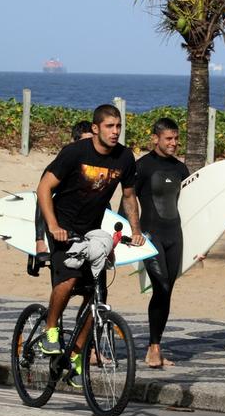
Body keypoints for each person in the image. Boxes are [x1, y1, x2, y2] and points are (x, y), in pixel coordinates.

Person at [36, 104, 144, 387]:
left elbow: (130, 196)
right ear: (96, 128)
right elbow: (44, 187)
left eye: (118, 126)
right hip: (63, 227)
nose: (115, 132)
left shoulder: (124, 158)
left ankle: (75, 354)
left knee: (97, 295)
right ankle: (50, 330)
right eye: (110, 126)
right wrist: (52, 226)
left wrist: (136, 230)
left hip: (93, 231)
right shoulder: (75, 153)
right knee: (69, 278)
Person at [134, 118, 191, 368]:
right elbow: (127, 201)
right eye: (169, 138)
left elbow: (191, 208)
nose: (174, 143)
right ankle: (154, 348)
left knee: (166, 291)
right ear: (155, 139)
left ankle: (154, 346)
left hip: (174, 235)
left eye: (176, 139)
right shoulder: (142, 167)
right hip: (150, 235)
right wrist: (130, 234)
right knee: (162, 285)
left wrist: (201, 244)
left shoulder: (181, 170)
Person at [35, 121, 94, 257]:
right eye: (84, 142)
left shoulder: (94, 169)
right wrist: (39, 239)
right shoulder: (59, 167)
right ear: (74, 142)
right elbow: (42, 201)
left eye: (91, 142)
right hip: (62, 229)